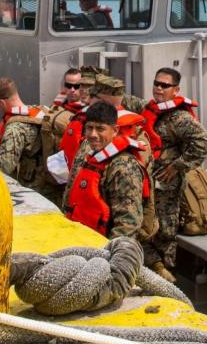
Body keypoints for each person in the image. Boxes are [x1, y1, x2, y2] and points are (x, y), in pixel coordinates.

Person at [140, 67, 207, 278]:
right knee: (148, 226)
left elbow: (203, 142)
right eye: (156, 84)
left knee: (165, 229)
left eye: (165, 85)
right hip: (150, 182)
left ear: (176, 90)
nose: (159, 89)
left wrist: (177, 166)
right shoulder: (153, 110)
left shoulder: (179, 118)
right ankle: (152, 270)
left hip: (166, 185)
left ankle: (168, 273)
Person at [62, 102, 156, 247]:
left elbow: (127, 225)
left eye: (100, 129)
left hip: (104, 248)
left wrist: (108, 259)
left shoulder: (124, 166)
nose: (93, 135)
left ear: (115, 130)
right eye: (89, 128)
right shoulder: (89, 154)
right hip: (82, 239)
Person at [0, 77, 60, 203]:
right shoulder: (41, 111)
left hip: (34, 192)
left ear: (1, 103)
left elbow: (4, 168)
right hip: (54, 186)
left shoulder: (15, 129)